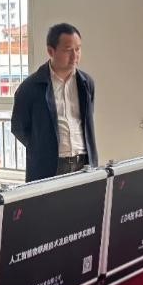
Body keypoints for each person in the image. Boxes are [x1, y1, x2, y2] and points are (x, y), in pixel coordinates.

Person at [11, 22, 97, 181]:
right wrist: (42, 149)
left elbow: (87, 121)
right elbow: (19, 127)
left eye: (78, 49)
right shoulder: (30, 87)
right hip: (49, 166)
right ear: (51, 51)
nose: (75, 56)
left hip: (84, 162)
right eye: (68, 50)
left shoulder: (86, 83)